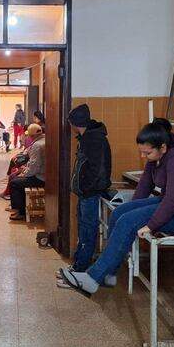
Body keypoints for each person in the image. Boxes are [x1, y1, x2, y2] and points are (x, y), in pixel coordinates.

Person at [59, 118, 174, 297]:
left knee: (128, 222)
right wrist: (133, 209)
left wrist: (150, 225)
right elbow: (145, 184)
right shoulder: (159, 153)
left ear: (163, 146)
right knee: (120, 214)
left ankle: (91, 280)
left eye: (147, 153)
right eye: (142, 152)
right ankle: (108, 275)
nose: (144, 157)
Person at [58, 104, 112, 285]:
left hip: (90, 193)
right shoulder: (89, 138)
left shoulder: (93, 140)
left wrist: (87, 188)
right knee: (84, 229)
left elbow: (97, 170)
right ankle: (78, 267)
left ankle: (80, 271)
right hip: (86, 193)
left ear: (75, 123)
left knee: (87, 231)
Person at [8, 123, 45, 221]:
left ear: (31, 135)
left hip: (40, 177)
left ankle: (20, 212)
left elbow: (34, 166)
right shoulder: (43, 140)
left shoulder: (37, 145)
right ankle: (17, 207)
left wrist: (24, 173)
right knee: (14, 178)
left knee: (14, 183)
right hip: (43, 174)